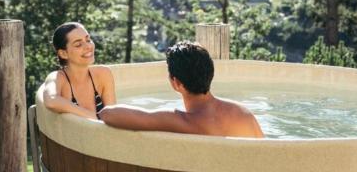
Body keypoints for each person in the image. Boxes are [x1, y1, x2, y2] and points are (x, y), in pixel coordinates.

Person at [98, 41, 264, 138]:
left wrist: (166, 115)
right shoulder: (243, 113)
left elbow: (108, 114)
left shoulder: (184, 121)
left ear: (176, 83)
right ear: (210, 72)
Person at [38, 22, 116, 119]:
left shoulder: (103, 74)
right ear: (63, 53)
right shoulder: (58, 78)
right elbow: (51, 100)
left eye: (88, 40)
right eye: (78, 44)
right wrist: (94, 117)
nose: (88, 46)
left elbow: (113, 117)